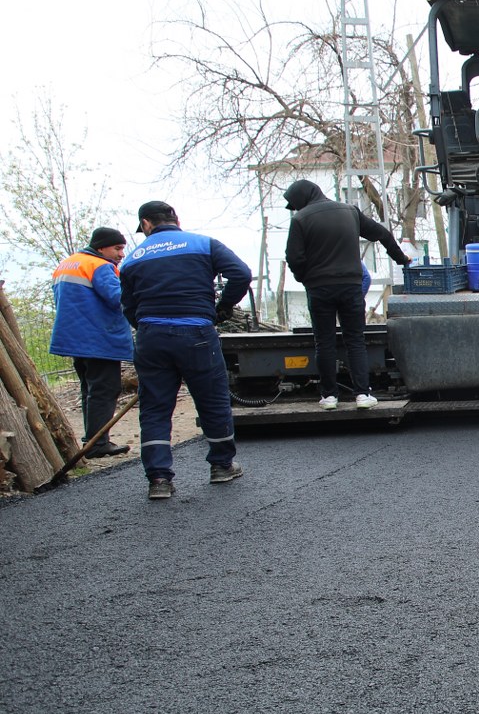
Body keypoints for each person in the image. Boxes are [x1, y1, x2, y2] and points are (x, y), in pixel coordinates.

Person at [119, 201, 252, 501]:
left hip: (152, 336)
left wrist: (146, 326)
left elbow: (127, 305)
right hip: (196, 334)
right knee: (212, 399)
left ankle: (159, 480)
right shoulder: (203, 244)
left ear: (147, 224)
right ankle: (221, 465)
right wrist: (222, 307)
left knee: (154, 408)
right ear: (175, 220)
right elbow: (241, 273)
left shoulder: (132, 259)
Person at [283, 179, 411, 410]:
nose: (295, 209)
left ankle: (329, 396)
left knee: (324, 342)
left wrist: (305, 278)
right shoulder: (349, 211)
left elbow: (294, 258)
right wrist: (401, 259)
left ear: (302, 199)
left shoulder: (300, 220)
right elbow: (381, 234)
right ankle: (362, 394)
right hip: (350, 286)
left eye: (294, 204)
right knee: (355, 340)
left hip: (319, 289)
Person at [49, 227, 135, 457]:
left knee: (90, 388)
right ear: (101, 248)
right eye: (117, 248)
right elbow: (118, 298)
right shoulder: (100, 266)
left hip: (75, 339)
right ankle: (97, 444)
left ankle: (91, 440)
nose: (121, 254)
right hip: (99, 340)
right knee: (105, 389)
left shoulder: (67, 264)